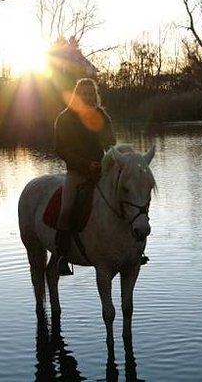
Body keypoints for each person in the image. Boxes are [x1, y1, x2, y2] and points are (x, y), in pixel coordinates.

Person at [54, 78, 116, 275]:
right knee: (67, 209)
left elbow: (111, 143)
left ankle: (130, 249)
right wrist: (85, 164)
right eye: (84, 94)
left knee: (123, 199)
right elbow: (62, 150)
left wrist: (113, 156)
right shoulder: (65, 119)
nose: (88, 97)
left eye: (91, 94)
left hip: (101, 171)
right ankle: (62, 256)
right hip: (77, 172)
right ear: (76, 95)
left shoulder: (102, 116)